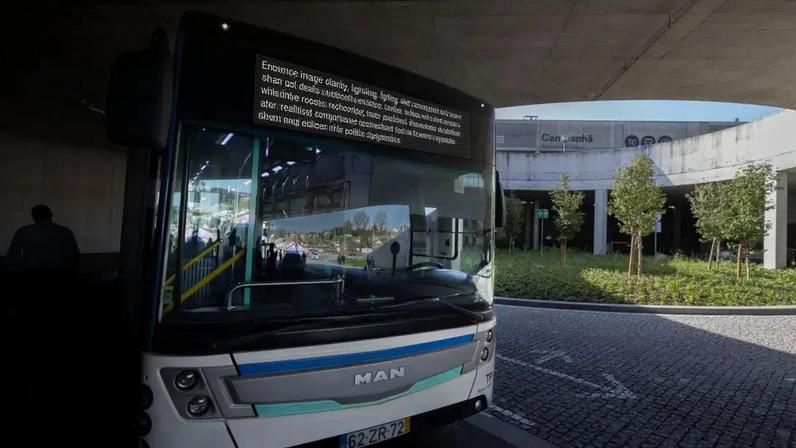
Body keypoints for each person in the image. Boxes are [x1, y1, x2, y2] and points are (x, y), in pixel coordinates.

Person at [5, 204, 80, 273]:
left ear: (33, 216)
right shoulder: (65, 231)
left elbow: (13, 255)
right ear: (51, 214)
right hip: (59, 272)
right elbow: (74, 255)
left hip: (31, 271)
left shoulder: (23, 231)